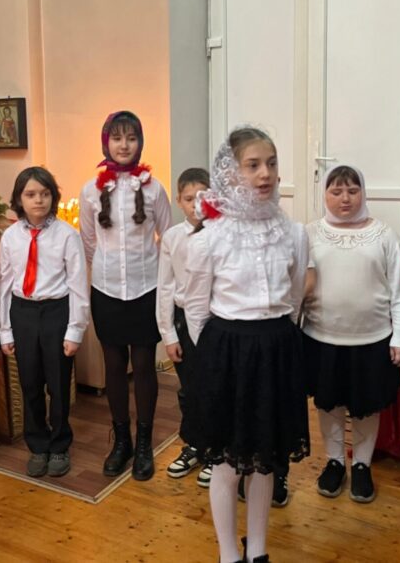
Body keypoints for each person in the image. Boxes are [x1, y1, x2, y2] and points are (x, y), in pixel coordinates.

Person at [184, 126, 310, 563]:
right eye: (253, 165)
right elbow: (196, 309)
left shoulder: (292, 233)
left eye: (271, 164)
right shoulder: (210, 238)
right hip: (228, 355)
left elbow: (295, 296)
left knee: (265, 460)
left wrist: (271, 339)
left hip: (275, 351)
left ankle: (257, 550)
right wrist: (219, 359)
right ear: (230, 173)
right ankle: (228, 554)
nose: (265, 174)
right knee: (226, 463)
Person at [301, 164, 400, 504]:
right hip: (321, 338)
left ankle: (362, 464)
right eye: (336, 191)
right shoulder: (308, 234)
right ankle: (334, 461)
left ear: (363, 193)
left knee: (366, 406)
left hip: (372, 339)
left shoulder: (385, 236)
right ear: (324, 195)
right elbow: (297, 286)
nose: (345, 198)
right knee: (329, 403)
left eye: (352, 190)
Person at [79, 111, 171, 481]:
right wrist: (105, 270)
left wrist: (157, 276)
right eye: (117, 138)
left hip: (145, 288)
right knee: (114, 367)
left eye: (131, 138)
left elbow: (168, 238)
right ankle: (122, 441)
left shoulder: (154, 188)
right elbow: (88, 241)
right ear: (106, 142)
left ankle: (145, 443)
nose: (124, 145)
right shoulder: (90, 190)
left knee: (144, 366)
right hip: (106, 290)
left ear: (140, 142)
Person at [0, 166, 90, 478]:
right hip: (23, 312)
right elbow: (5, 283)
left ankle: (60, 444)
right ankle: (37, 444)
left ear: (53, 197)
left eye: (45, 193)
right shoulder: (10, 237)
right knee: (30, 382)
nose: (38, 200)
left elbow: (78, 285)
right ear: (19, 199)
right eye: (30, 194)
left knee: (58, 382)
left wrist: (75, 329)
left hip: (56, 312)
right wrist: (5, 330)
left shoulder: (67, 235)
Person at [156, 167, 213, 487]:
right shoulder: (172, 237)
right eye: (189, 199)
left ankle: (216, 449)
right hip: (182, 320)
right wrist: (168, 333)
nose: (196, 204)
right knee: (190, 388)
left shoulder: (222, 235)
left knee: (214, 387)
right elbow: (165, 286)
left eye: (203, 197)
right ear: (179, 201)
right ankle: (194, 444)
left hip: (216, 322)